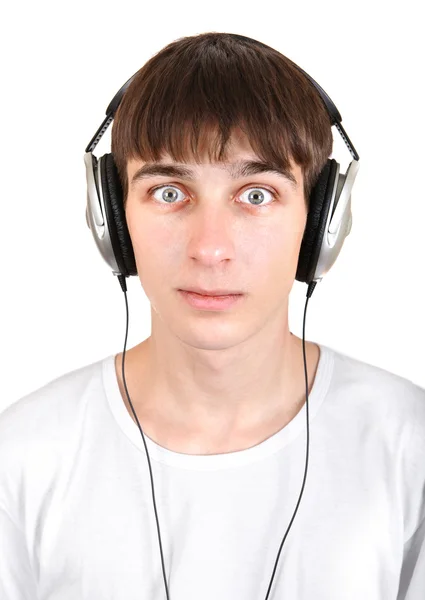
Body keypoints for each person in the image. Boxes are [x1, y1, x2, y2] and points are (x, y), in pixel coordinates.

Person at [0, 32, 424, 600]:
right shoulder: (23, 454)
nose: (211, 249)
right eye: (170, 192)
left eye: (256, 195)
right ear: (113, 221)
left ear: (321, 223)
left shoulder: (410, 447)